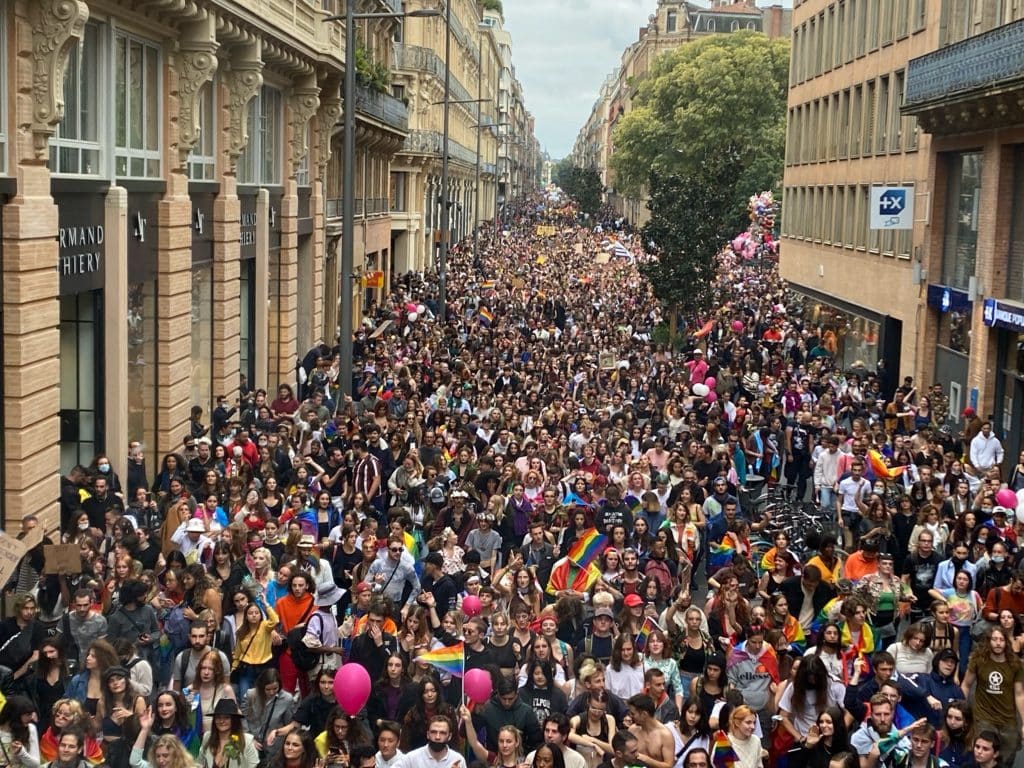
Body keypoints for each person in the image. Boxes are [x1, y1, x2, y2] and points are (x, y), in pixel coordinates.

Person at [960, 627, 1024, 759]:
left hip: (1007, 719)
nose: (998, 643)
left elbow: (1019, 694)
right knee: (983, 755)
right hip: (983, 716)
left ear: (1006, 642)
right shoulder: (979, 660)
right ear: (989, 641)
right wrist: (961, 710)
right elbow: (966, 685)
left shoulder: (1016, 664)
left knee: (1006, 758)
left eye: (1001, 640)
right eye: (994, 639)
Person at [393, 716, 462, 768]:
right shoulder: (412, 758)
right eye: (433, 732)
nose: (437, 737)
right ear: (428, 734)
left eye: (442, 733)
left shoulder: (457, 759)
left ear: (449, 736)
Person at [625, 695, 674, 768]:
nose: (630, 717)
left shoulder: (665, 735)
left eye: (633, 714)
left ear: (644, 714)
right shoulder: (632, 730)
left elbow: (669, 766)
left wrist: (646, 760)